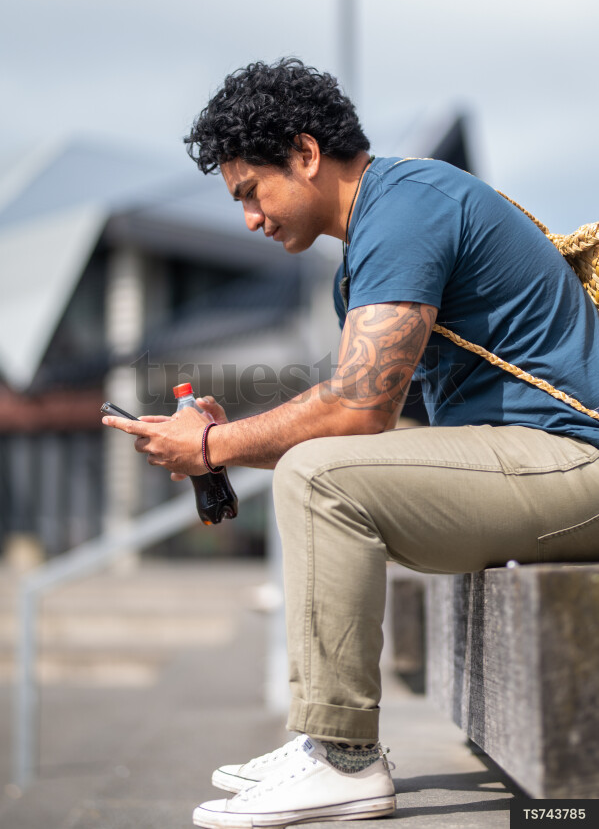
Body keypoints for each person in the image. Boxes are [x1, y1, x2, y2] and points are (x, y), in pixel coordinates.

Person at [102, 58, 599, 827]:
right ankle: (319, 741)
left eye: (250, 191)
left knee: (317, 476)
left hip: (573, 459)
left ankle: (342, 758)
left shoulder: (404, 208)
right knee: (319, 467)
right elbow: (379, 422)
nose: (250, 219)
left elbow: (357, 408)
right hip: (530, 459)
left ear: (304, 154)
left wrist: (213, 444)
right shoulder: (372, 243)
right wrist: (221, 438)